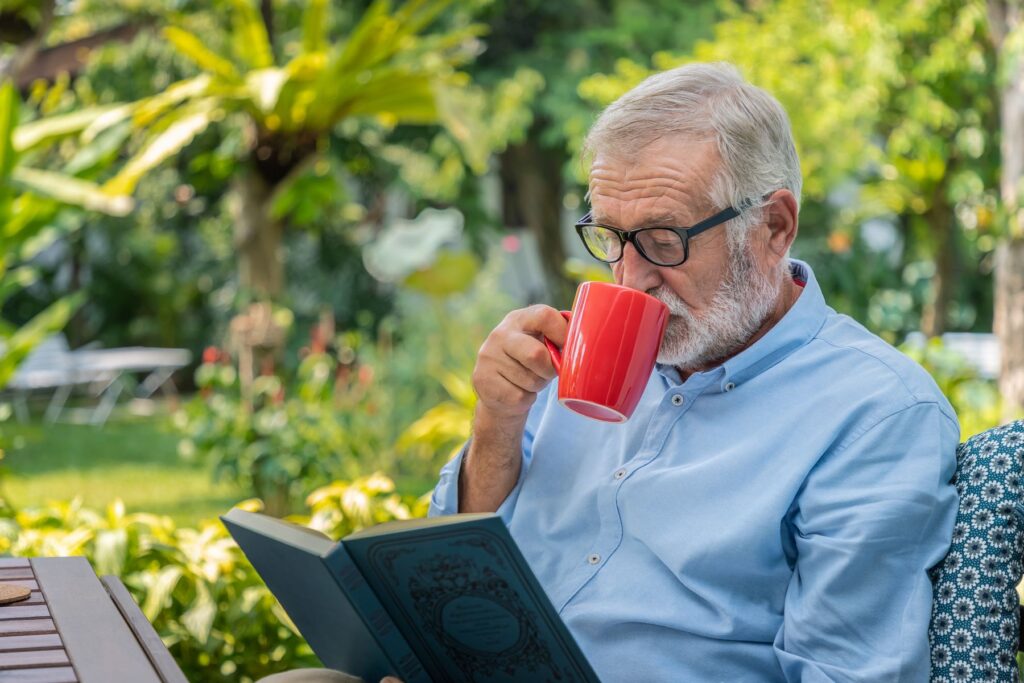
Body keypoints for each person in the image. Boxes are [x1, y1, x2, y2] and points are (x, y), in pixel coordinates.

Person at [262, 61, 959, 682]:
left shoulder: (875, 412)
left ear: (773, 227)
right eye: (610, 238)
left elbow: (845, 670)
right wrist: (497, 421)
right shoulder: (580, 355)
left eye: (663, 240)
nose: (631, 279)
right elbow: (450, 569)